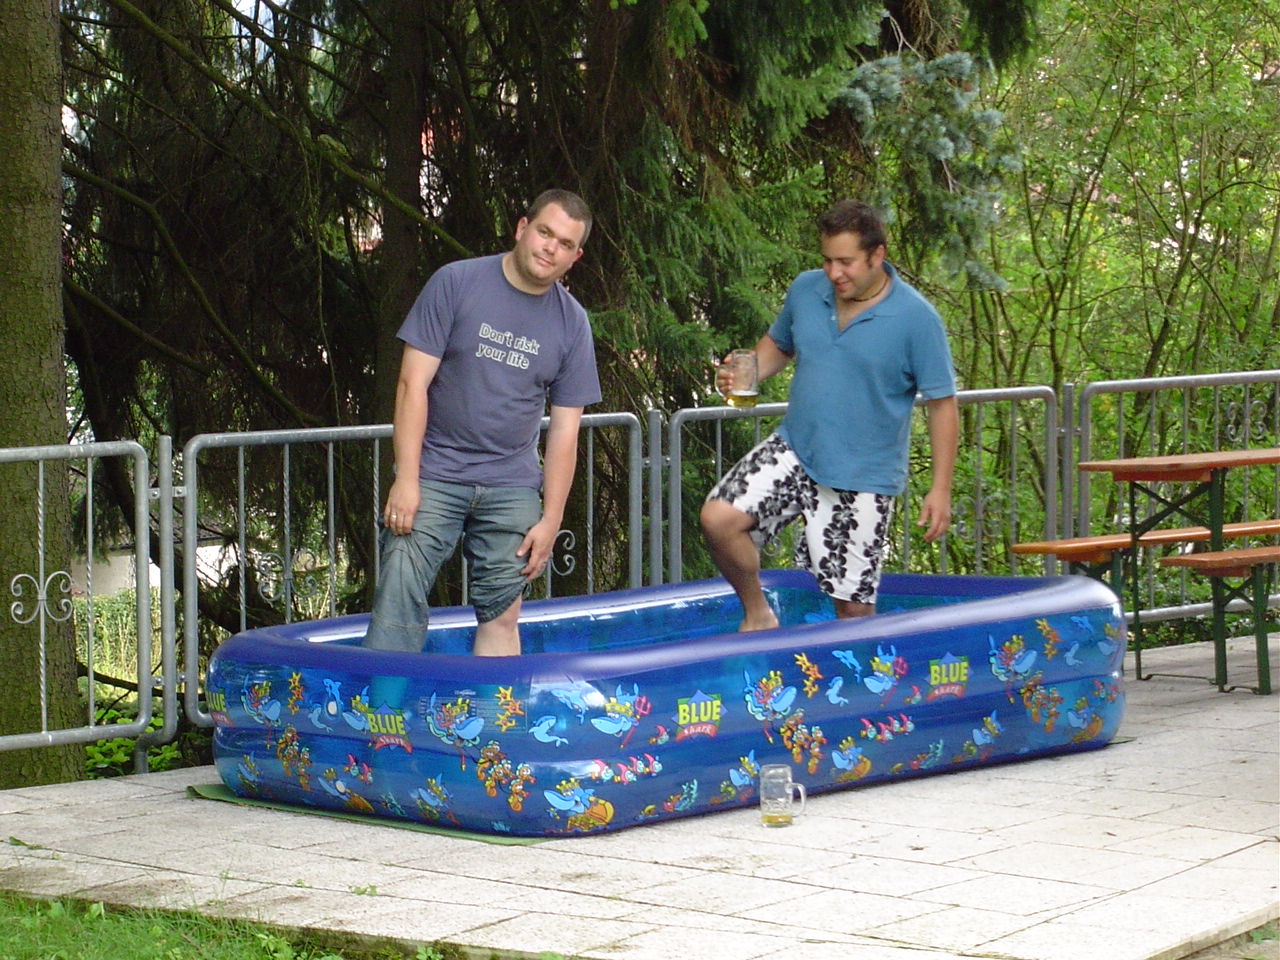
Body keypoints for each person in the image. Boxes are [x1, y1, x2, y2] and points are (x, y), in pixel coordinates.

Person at [700, 199, 958, 631]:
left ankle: (860, 674)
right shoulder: (807, 289)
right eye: (827, 260)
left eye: (846, 262)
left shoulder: (917, 319)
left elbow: (942, 405)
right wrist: (746, 373)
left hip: (863, 474)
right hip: (796, 449)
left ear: (877, 255)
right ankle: (758, 613)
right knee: (719, 519)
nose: (834, 272)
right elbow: (779, 345)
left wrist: (940, 488)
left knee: (852, 610)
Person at [363, 189, 601, 656]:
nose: (551, 248)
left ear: (575, 257)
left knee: (503, 612)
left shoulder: (573, 323)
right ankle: (383, 703)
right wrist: (406, 478)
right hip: (434, 473)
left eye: (565, 244)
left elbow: (565, 431)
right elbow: (412, 384)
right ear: (522, 228)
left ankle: (495, 706)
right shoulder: (456, 283)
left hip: (511, 483)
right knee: (397, 595)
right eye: (545, 232)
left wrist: (551, 520)